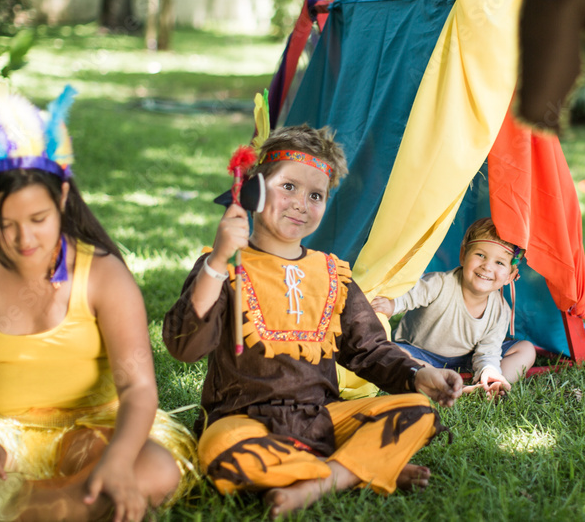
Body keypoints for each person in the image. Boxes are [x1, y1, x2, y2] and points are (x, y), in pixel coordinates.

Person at [0, 86, 197, 522]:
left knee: (154, 468)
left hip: (93, 434)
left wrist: (115, 462)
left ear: (60, 200)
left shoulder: (103, 275)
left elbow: (137, 388)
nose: (24, 239)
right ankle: (67, 503)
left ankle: (30, 503)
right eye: (5, 225)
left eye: (38, 220)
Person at [162, 123, 463, 518]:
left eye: (315, 194)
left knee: (416, 413)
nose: (301, 203)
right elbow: (185, 347)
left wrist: (417, 374)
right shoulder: (224, 267)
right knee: (223, 454)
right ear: (254, 188)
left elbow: (368, 349)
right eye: (288, 187)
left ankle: (318, 482)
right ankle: (357, 468)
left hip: (321, 419)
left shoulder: (331, 274)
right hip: (243, 421)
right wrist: (218, 263)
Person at [371, 218, 537, 397]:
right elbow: (411, 295)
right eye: (480, 255)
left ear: (509, 277)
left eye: (500, 263)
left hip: (466, 359)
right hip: (420, 353)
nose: (487, 266)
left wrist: (489, 368)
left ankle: (492, 383)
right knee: (390, 351)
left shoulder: (500, 310)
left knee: (526, 349)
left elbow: (488, 351)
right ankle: (437, 381)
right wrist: (392, 305)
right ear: (463, 255)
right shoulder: (440, 284)